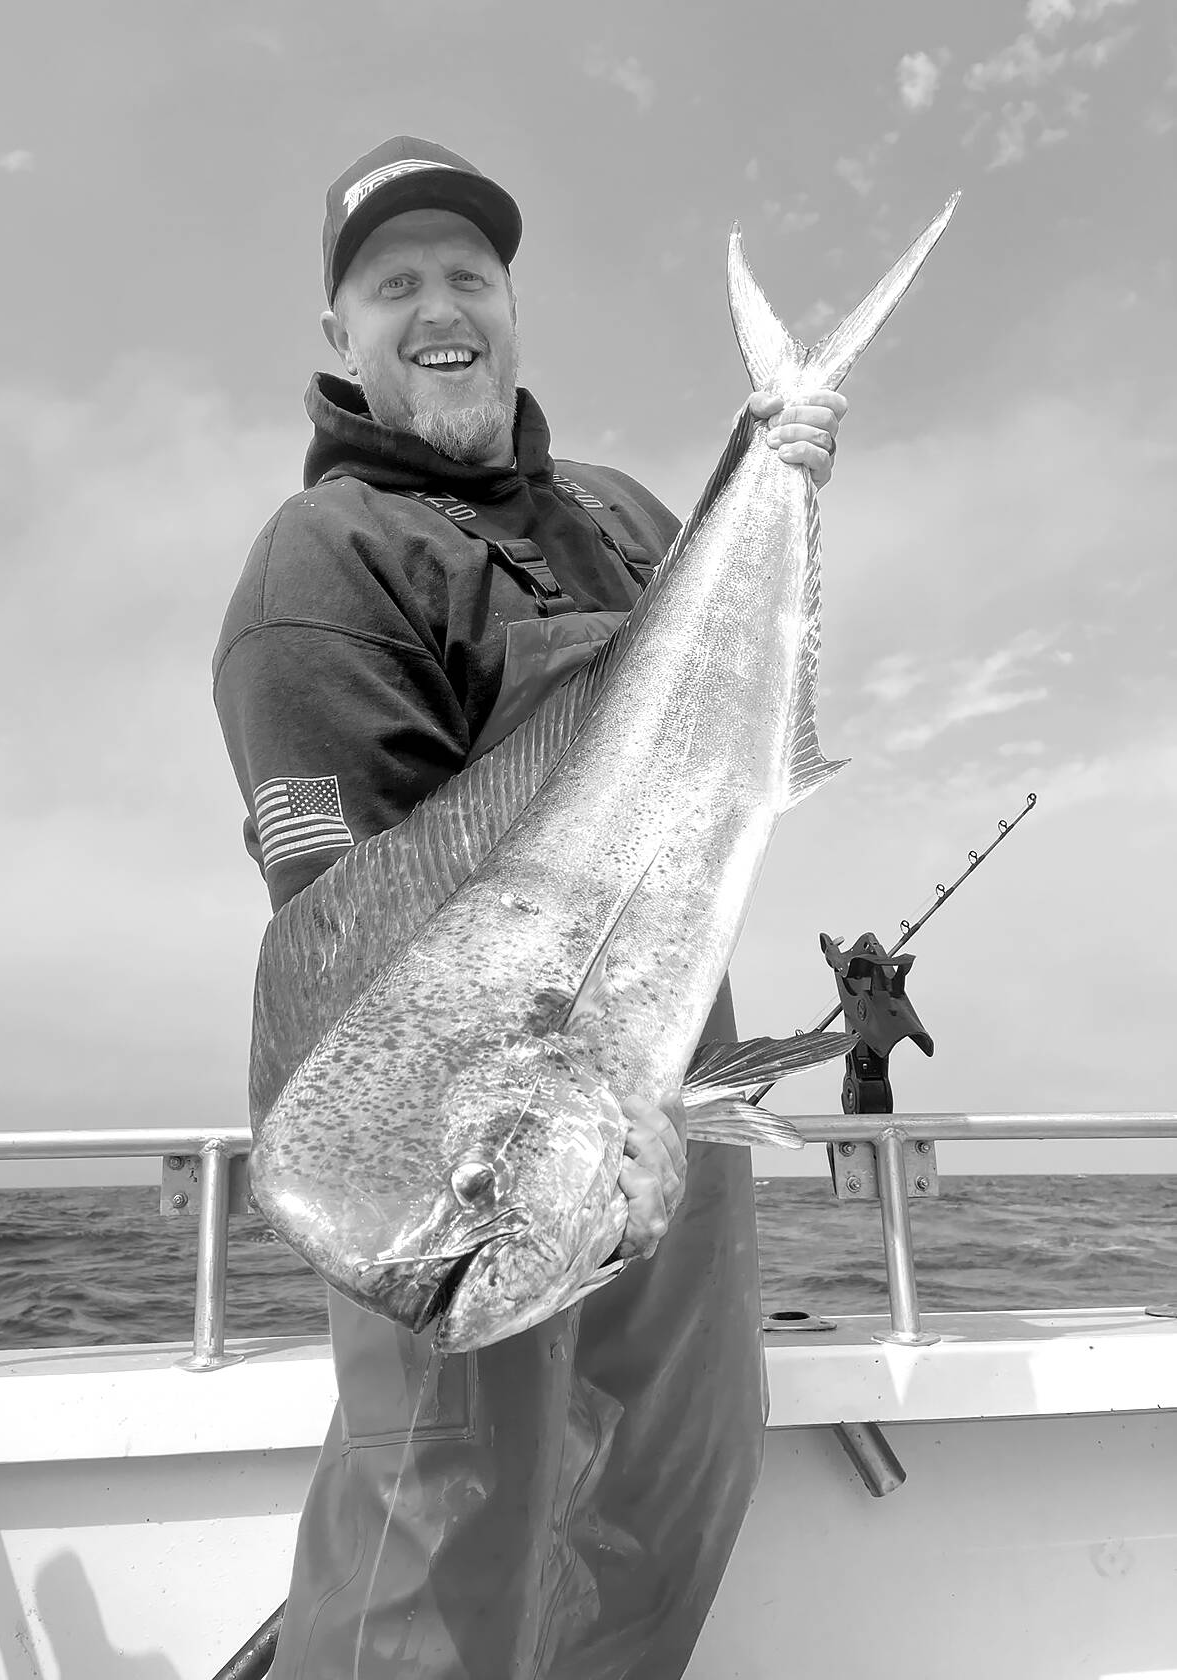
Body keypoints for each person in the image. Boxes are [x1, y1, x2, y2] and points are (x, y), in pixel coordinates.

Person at [213, 136, 845, 1680]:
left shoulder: (625, 507)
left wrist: (782, 476)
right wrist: (533, 1122)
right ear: (341, 339)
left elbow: (742, 700)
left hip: (664, 1060)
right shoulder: (324, 558)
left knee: (674, 1477)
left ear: (510, 307)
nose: (442, 307)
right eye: (395, 283)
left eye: (470, 278)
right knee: (450, 1525)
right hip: (462, 1115)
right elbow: (354, 934)